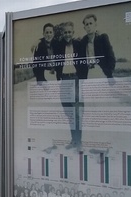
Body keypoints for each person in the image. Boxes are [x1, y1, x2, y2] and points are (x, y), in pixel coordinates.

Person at [53, 21, 85, 149]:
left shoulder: (78, 44)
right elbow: (46, 40)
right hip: (64, 79)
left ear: (73, 33)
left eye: (69, 32)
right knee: (68, 112)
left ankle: (79, 142)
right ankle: (73, 140)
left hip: (75, 78)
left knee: (77, 112)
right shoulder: (59, 45)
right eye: (65, 32)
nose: (67, 34)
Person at [79, 14, 116, 79]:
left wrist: (108, 73)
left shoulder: (102, 38)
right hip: (88, 73)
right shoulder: (83, 42)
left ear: (95, 25)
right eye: (87, 24)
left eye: (91, 23)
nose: (89, 26)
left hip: (101, 71)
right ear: (84, 27)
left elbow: (111, 57)